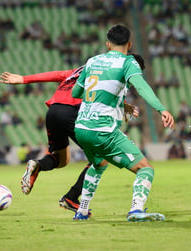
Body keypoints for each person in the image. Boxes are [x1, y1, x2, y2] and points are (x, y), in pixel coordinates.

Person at [0, 56, 141, 213]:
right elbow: (100, 94)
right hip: (71, 111)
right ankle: (71, 198)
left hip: (53, 111)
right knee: (101, 159)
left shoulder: (79, 70)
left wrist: (24, 79)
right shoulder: (106, 72)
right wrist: (124, 106)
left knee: (62, 160)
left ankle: (37, 165)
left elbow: (56, 74)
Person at [71, 24, 175, 222]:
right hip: (103, 130)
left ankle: (82, 210)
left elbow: (76, 93)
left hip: (81, 128)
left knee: (99, 163)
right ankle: (136, 210)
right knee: (145, 168)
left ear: (107, 44)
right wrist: (162, 109)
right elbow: (142, 87)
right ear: (130, 44)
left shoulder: (92, 61)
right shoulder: (128, 62)